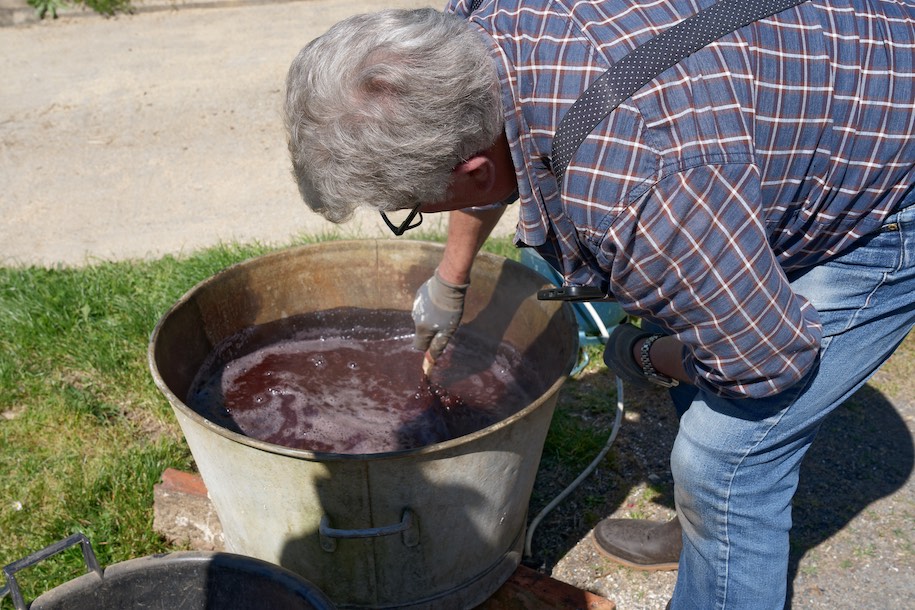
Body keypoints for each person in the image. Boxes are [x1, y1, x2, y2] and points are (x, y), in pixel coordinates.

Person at [284, 1, 915, 607]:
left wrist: (642, 352)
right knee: (698, 296)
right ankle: (707, 535)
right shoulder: (473, 27)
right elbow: (489, 147)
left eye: (417, 207)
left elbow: (765, 358)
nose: (423, 215)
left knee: (723, 459)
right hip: (786, 103)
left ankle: (718, 523)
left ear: (473, 173)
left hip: (889, 176)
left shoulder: (637, 193)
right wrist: (450, 283)